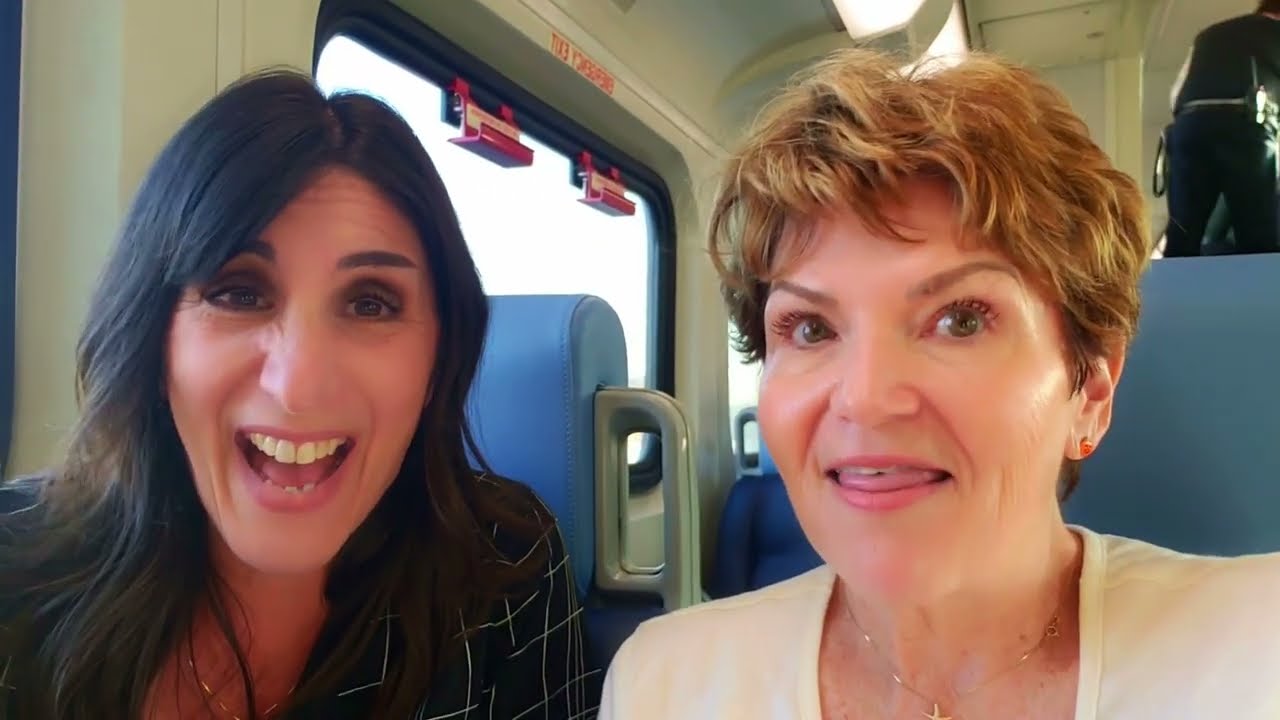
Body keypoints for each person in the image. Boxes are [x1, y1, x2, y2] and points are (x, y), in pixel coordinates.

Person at [600, 48, 1280, 719]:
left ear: (1091, 390)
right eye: (810, 328)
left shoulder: (1259, 651)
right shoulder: (664, 685)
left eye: (959, 319)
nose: (864, 398)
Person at [0, 70, 599, 719]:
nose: (297, 386)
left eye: (370, 304)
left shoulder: (506, 577)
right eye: (240, 293)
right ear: (155, 340)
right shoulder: (14, 575)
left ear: (437, 364)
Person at [1163, 0, 1280, 257]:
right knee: (1258, 234)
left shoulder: (1209, 34)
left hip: (1189, 128)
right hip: (1247, 127)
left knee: (1182, 230)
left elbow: (1175, 95)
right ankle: (1261, 293)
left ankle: (1172, 292)